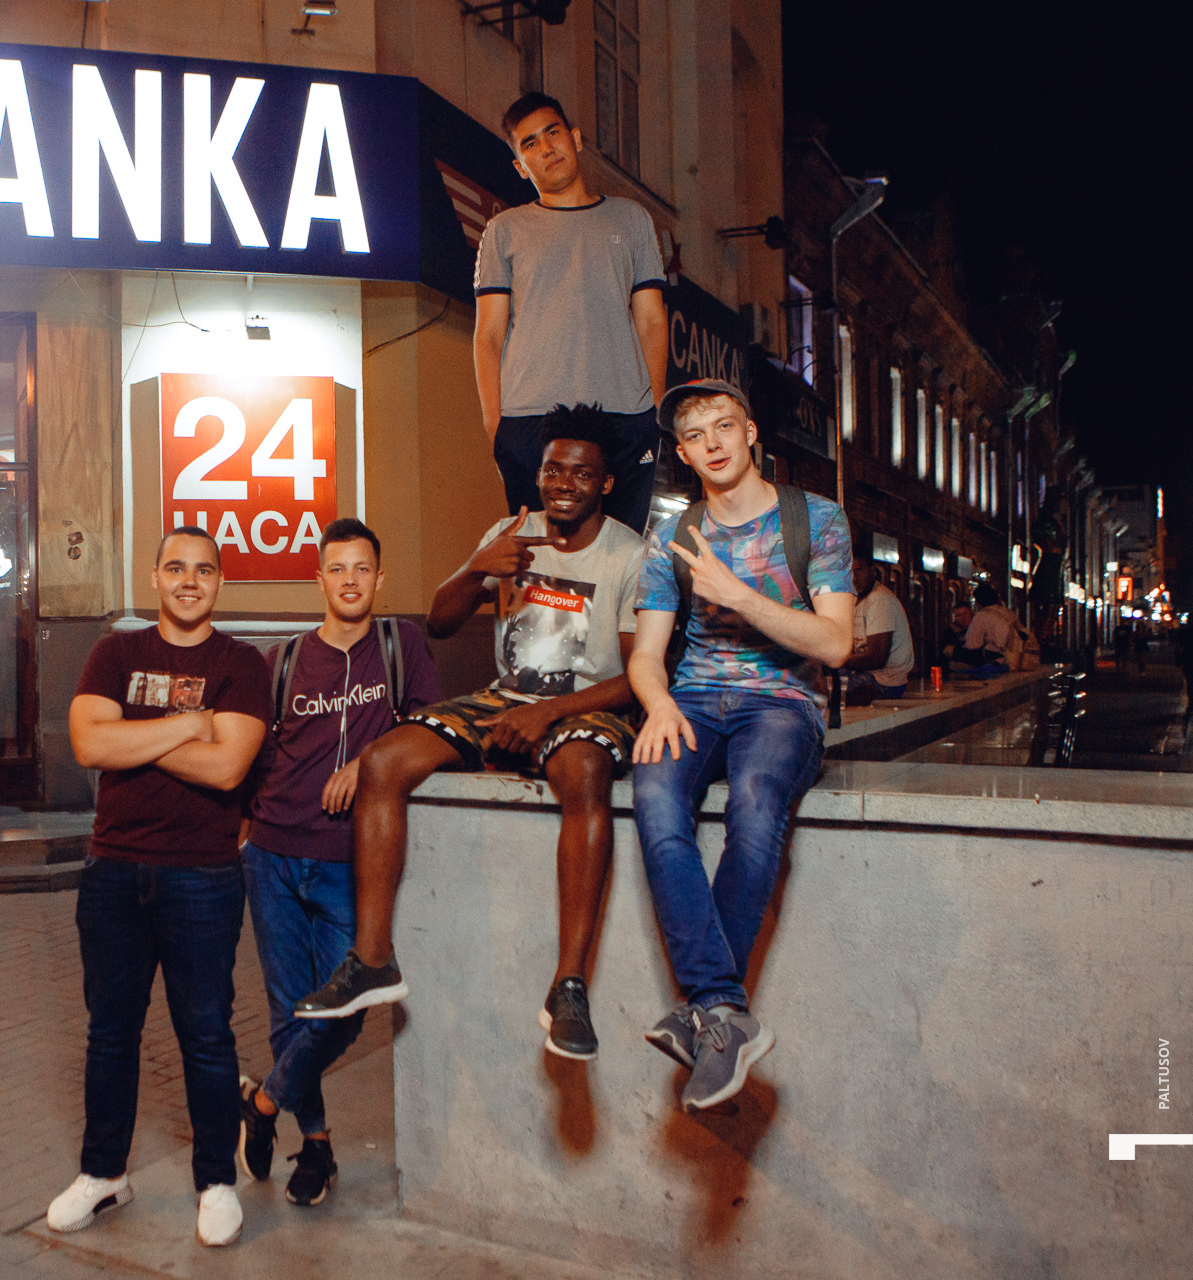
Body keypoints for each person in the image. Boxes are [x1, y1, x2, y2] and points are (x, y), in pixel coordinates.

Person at [294, 407, 646, 1068]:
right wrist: (478, 566)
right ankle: (372, 958)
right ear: (537, 475)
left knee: (582, 773)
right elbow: (440, 621)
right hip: (503, 699)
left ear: (604, 483)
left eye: (581, 473)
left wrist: (550, 714)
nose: (564, 484)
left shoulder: (630, 555)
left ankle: (569, 986)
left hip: (587, 705)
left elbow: (637, 677)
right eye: (553, 470)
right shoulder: (509, 533)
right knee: (384, 759)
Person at [626, 378, 853, 1113]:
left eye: (724, 426)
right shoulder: (672, 536)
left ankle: (704, 1010)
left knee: (755, 802)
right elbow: (646, 653)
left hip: (782, 703)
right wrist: (659, 703)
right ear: (684, 453)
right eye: (695, 436)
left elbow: (837, 644)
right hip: (692, 697)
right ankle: (722, 1008)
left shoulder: (814, 519)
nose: (713, 444)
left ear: (751, 431)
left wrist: (741, 596)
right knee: (655, 796)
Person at [47, 528, 270, 1249]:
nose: (188, 580)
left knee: (205, 1034)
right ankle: (103, 1173)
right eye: (175, 567)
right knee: (110, 1033)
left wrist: (138, 735)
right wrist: (187, 727)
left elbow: (228, 769)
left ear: (220, 583)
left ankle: (216, 1182)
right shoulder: (115, 653)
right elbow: (89, 744)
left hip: (202, 875)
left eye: (203, 570)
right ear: (155, 577)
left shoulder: (241, 664)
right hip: (112, 871)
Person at [236, 519, 442, 1208]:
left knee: (347, 1010)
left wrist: (367, 761)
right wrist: (244, 834)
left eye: (362, 569)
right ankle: (317, 1145)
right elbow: (259, 754)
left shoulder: (400, 646)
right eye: (337, 568)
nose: (350, 580)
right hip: (272, 853)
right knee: (289, 1010)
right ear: (319, 578)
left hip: (346, 860)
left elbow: (431, 731)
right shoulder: (285, 659)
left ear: (379, 578)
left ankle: (263, 1103)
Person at [475, 91, 667, 534]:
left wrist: (654, 411)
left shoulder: (631, 219)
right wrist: (495, 424)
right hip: (531, 419)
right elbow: (488, 335)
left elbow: (652, 321)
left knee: (620, 553)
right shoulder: (503, 231)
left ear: (575, 138)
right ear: (520, 166)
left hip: (624, 416)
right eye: (530, 143)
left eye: (553, 133)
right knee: (538, 555)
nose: (546, 148)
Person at [841, 554, 914, 703]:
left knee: (825, 694)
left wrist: (834, 659)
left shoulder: (880, 599)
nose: (854, 577)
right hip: (864, 674)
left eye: (859, 570)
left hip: (885, 681)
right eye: (849, 572)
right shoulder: (854, 600)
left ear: (872, 571)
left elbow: (876, 658)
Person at [950, 584, 1013, 669]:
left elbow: (971, 645)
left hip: (996, 664)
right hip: (1014, 660)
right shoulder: (1008, 613)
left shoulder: (981, 616)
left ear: (978, 603)